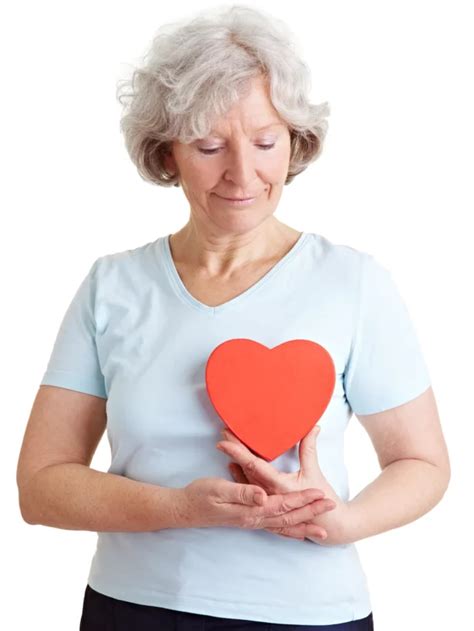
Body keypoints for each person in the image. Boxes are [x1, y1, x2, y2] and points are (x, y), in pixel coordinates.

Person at [16, 5, 450, 631]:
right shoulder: (112, 286)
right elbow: (41, 486)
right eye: (209, 146)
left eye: (266, 142)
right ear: (166, 153)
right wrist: (181, 508)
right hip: (132, 609)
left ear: (296, 140)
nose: (243, 175)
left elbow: (423, 464)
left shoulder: (353, 283)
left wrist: (340, 521)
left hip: (310, 616)